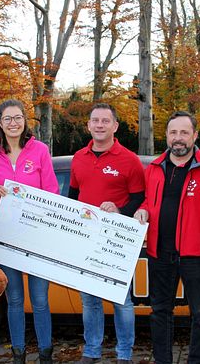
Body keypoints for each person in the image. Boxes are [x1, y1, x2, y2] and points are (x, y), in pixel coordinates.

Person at [133, 111, 200, 364]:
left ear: (195, 135)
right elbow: (148, 200)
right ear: (166, 135)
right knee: (160, 312)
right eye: (173, 132)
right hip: (160, 253)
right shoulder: (154, 168)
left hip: (196, 253)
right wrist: (143, 208)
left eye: (184, 132)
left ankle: (197, 360)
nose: (178, 138)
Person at [68, 103, 146, 364]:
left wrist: (120, 210)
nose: (99, 125)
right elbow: (73, 196)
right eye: (95, 120)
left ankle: (124, 354)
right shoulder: (79, 157)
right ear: (88, 125)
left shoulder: (129, 159)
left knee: (120, 301)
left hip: (116, 240)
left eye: (105, 121)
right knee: (89, 301)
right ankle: (91, 351)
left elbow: (140, 197)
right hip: (86, 239)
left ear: (115, 126)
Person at [0, 99, 58, 364]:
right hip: (7, 235)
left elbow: (52, 191)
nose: (13, 123)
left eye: (18, 118)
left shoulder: (39, 150)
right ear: (0, 123)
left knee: (39, 300)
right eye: (7, 119)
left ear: (25, 121)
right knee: (14, 299)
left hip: (37, 236)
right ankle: (18, 354)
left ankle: (46, 354)